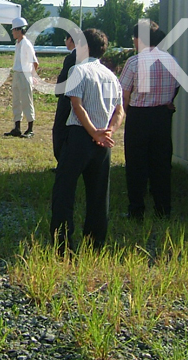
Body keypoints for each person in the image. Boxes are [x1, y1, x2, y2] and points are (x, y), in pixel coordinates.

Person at [50, 28, 124, 253]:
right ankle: (95, 244)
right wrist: (108, 131)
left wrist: (92, 131)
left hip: (80, 135)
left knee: (64, 191)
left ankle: (62, 244)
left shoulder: (78, 70)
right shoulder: (110, 76)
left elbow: (76, 105)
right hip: (103, 140)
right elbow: (120, 110)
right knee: (98, 194)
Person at [119, 20, 180, 220]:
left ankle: (136, 209)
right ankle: (163, 208)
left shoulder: (134, 62)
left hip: (139, 115)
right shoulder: (171, 60)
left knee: (136, 164)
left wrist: (125, 113)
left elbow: (124, 94)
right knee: (161, 163)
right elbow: (177, 85)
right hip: (162, 116)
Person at [5, 17, 39, 138]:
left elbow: (35, 62)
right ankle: (17, 127)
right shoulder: (18, 43)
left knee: (26, 101)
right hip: (17, 74)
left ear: (19, 30)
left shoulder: (26, 44)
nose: (12, 32)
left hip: (24, 74)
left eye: (13, 30)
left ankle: (30, 128)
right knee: (16, 101)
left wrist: (32, 75)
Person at [52, 32, 77, 162]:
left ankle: (62, 160)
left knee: (60, 129)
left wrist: (58, 92)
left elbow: (63, 78)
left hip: (67, 99)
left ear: (70, 39)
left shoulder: (71, 57)